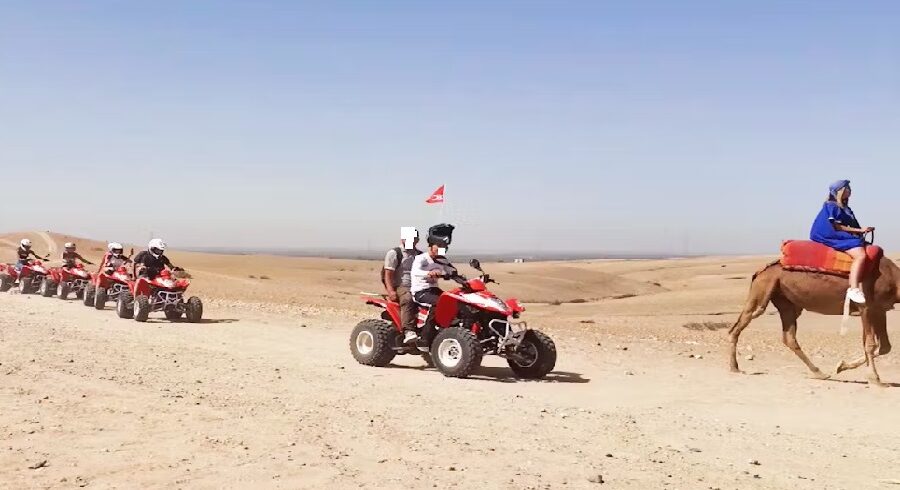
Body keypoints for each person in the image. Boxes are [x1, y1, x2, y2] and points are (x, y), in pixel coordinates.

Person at [809, 180, 874, 304]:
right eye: (847, 188)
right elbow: (837, 227)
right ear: (841, 191)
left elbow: (852, 224)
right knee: (860, 255)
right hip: (829, 233)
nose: (850, 190)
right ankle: (853, 288)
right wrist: (860, 230)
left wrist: (862, 230)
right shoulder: (832, 206)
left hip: (836, 232)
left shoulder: (845, 207)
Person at [409, 224, 457, 340]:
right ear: (430, 246)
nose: (442, 249)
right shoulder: (421, 258)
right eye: (439, 246)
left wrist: (454, 275)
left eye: (445, 246)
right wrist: (429, 273)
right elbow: (415, 272)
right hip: (421, 291)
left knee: (454, 302)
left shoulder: (442, 260)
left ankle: (446, 330)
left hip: (434, 290)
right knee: (439, 303)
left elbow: (452, 270)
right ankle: (426, 337)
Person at [383, 228, 423, 344]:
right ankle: (408, 331)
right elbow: (388, 274)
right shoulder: (395, 253)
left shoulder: (420, 255)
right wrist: (391, 291)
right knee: (408, 299)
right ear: (402, 239)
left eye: (413, 238)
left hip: (419, 286)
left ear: (417, 240)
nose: (411, 241)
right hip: (402, 286)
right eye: (408, 238)